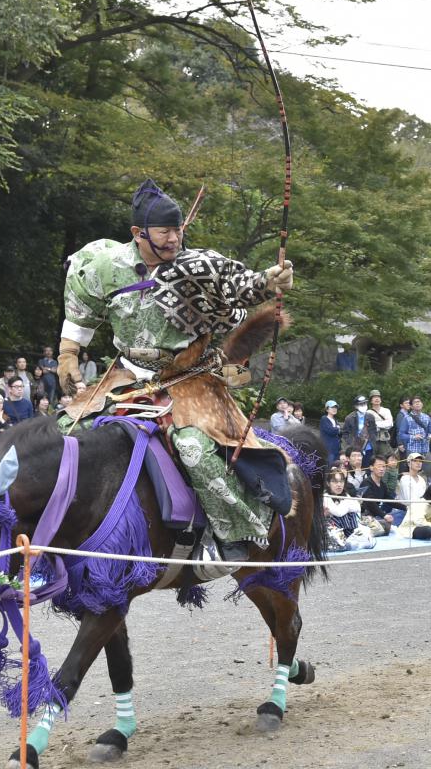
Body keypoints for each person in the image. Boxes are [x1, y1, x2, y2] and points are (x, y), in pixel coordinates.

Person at [54, 180, 296, 562]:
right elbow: (81, 301)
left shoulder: (196, 266)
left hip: (189, 379)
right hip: (125, 376)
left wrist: (267, 281)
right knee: (64, 430)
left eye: (178, 229)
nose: (174, 238)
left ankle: (233, 533)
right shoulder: (103, 264)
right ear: (138, 233)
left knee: (193, 448)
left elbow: (239, 285)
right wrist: (68, 352)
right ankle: (56, 534)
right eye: (165, 231)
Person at [356, 455, 397, 536]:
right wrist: (384, 515)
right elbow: (370, 503)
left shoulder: (383, 484)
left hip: (376, 516)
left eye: (384, 466)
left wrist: (406, 507)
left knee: (400, 514)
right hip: (364, 516)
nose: (382, 469)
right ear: (371, 468)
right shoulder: (366, 483)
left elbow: (390, 500)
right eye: (379, 466)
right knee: (386, 525)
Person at [341, 395, 377, 461]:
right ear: (356, 406)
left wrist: (373, 443)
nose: (363, 405)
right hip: (355, 449)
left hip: (369, 448)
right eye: (361, 404)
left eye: (365, 403)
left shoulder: (371, 417)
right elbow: (345, 433)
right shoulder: (349, 418)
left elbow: (374, 431)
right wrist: (351, 443)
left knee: (367, 468)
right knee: (355, 468)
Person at [367, 391, 396, 459]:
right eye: (374, 397)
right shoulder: (367, 412)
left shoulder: (386, 411)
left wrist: (376, 424)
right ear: (371, 400)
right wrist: (382, 423)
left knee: (387, 458)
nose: (377, 399)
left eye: (378, 397)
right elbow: (368, 426)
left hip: (384, 439)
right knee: (372, 459)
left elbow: (389, 423)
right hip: (372, 440)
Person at [319, 400, 342, 466]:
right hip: (328, 449)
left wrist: (337, 429)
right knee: (329, 467)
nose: (334, 409)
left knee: (336, 467)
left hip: (336, 449)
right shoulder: (324, 419)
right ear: (327, 409)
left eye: (336, 407)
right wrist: (338, 428)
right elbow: (331, 431)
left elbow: (340, 434)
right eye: (332, 407)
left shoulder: (335, 420)